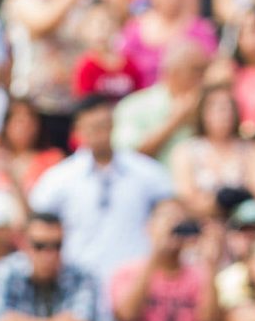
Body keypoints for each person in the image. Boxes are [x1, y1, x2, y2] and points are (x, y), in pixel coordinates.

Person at [27, 95, 170, 286]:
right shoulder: (60, 179)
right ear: (78, 130)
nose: (99, 133)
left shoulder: (144, 171)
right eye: (92, 127)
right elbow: (36, 219)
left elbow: (173, 206)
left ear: (112, 124)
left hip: (134, 283)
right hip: (79, 282)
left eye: (103, 125)